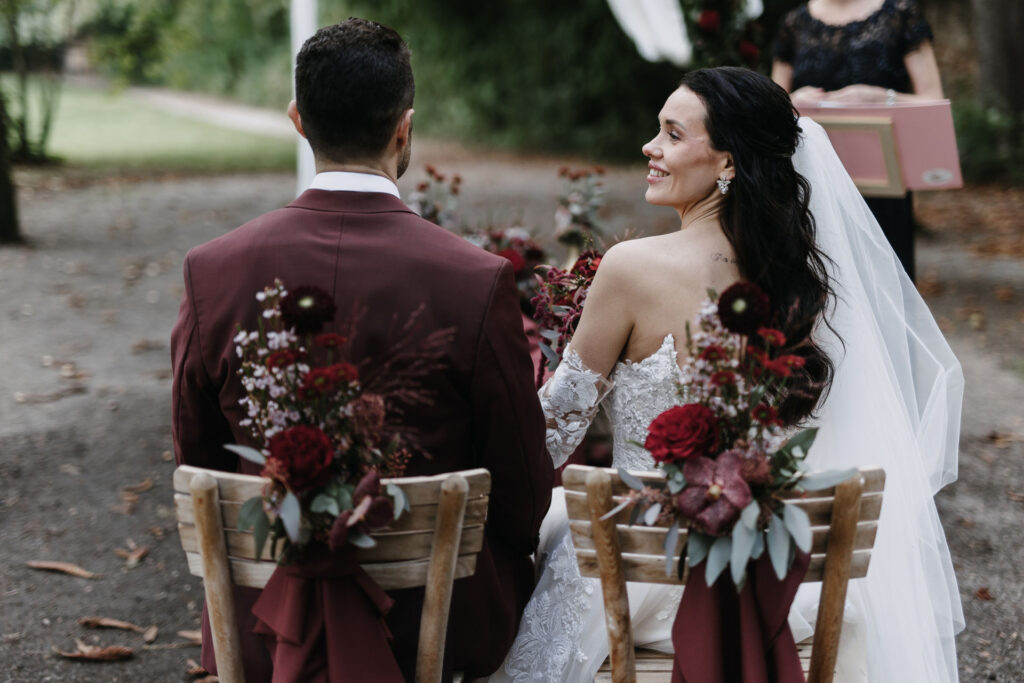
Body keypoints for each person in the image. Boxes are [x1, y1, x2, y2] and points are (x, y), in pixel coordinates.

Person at [492, 67, 963, 682]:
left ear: (728, 162)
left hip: (639, 587)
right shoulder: (805, 282)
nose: (649, 147)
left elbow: (550, 434)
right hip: (779, 587)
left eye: (671, 133)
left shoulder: (630, 268)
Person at [170, 18, 552, 682]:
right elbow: (522, 491)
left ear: (297, 119)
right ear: (404, 128)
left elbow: (197, 456)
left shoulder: (212, 270)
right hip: (434, 621)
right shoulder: (476, 279)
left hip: (266, 624)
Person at [770, 0, 944, 282]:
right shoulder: (794, 24)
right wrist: (791, 102)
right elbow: (767, 108)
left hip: (882, 185)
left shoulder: (900, 15)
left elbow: (933, 100)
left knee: (885, 282)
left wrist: (881, 97)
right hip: (811, 182)